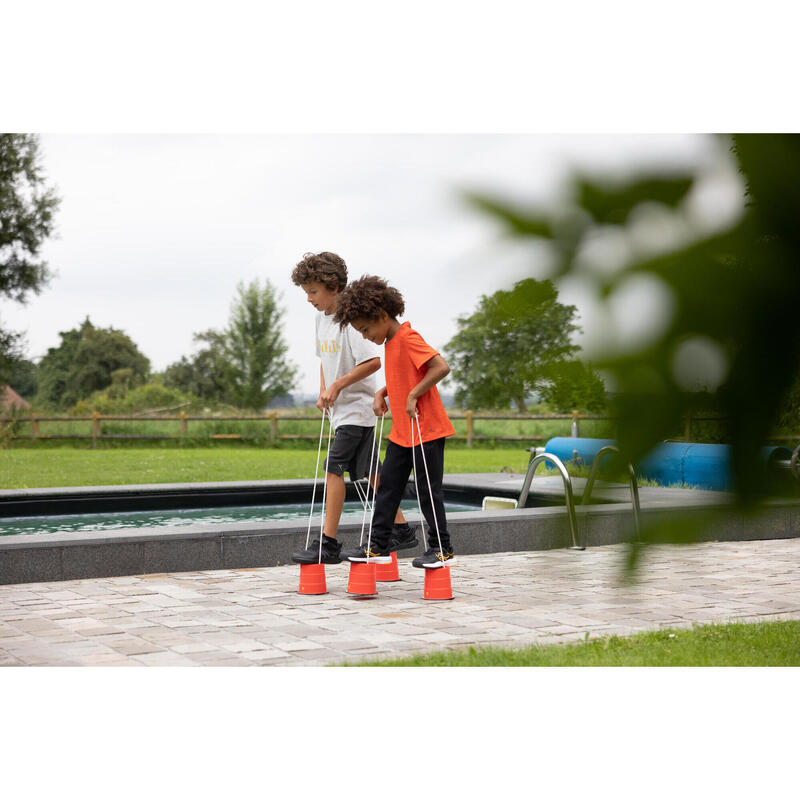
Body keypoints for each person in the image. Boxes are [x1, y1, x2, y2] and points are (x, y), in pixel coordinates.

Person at [289, 252, 417, 565]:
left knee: (334, 468)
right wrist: (324, 389)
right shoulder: (320, 320)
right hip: (341, 411)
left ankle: (328, 542)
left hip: (358, 410)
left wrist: (337, 386)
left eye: (313, 292)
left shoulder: (350, 321)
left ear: (333, 286)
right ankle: (401, 529)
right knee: (371, 472)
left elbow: (373, 362)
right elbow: (324, 360)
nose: (308, 299)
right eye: (305, 292)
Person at [333, 274, 457, 568]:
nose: (364, 336)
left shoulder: (408, 337)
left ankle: (442, 549)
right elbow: (404, 374)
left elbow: (440, 367)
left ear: (382, 315)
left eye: (365, 328)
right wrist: (383, 391)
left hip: (425, 430)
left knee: (429, 492)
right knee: (388, 488)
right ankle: (377, 546)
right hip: (402, 432)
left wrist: (413, 395)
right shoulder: (391, 342)